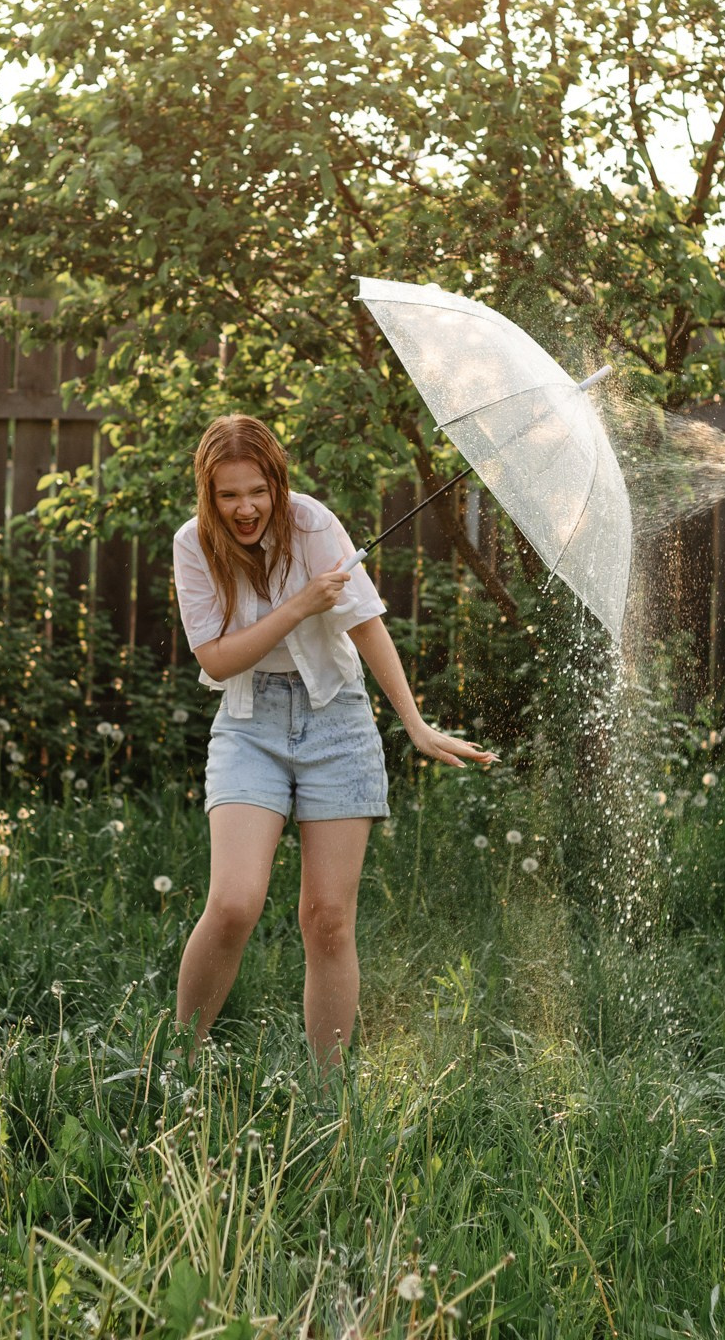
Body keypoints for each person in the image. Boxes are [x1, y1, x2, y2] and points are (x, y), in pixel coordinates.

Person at [170, 414, 492, 1064]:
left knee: (328, 920)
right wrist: (297, 606)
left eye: (257, 490)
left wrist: (415, 724)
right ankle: (176, 1061)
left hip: (337, 721)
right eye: (229, 494)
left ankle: (327, 1095)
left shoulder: (313, 525)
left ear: (276, 482)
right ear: (209, 494)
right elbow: (215, 660)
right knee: (233, 903)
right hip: (248, 722)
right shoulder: (193, 544)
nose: (245, 507)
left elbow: (367, 626)